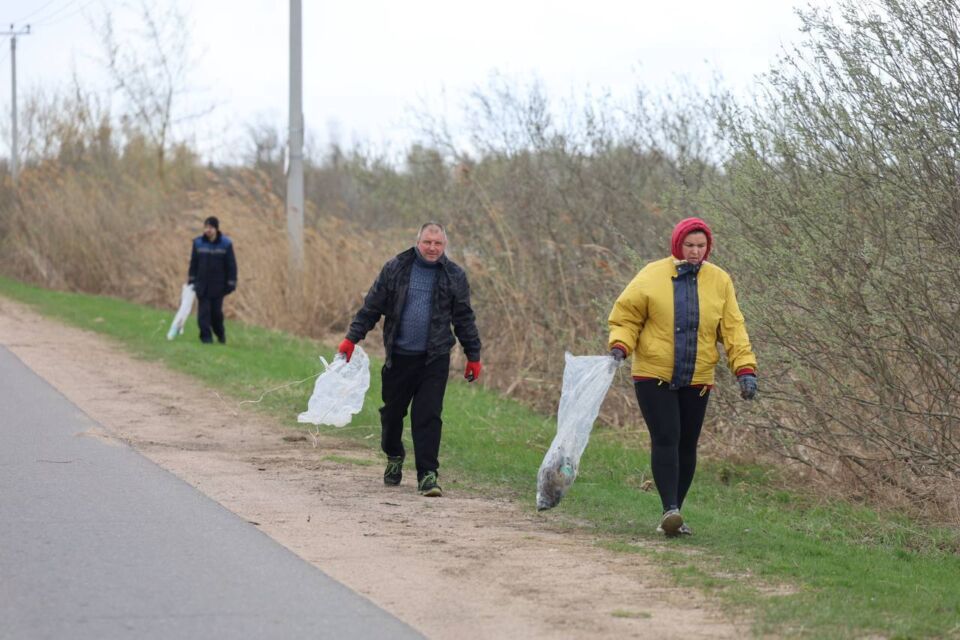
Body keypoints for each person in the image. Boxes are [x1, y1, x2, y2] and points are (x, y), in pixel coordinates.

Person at [607, 217, 757, 537]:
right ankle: (669, 509)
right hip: (653, 373)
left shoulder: (719, 281)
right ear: (677, 244)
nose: (695, 251)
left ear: (708, 247)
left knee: (688, 444)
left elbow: (733, 329)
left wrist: (744, 369)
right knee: (667, 437)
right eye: (689, 245)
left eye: (701, 246)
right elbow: (627, 317)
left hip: (698, 376)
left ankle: (675, 512)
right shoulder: (651, 274)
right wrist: (620, 346)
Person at [338, 222, 482, 497]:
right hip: (399, 357)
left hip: (434, 358)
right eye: (428, 242)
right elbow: (372, 307)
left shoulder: (454, 275)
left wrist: (473, 355)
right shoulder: (396, 268)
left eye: (437, 243)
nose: (432, 248)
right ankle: (394, 456)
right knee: (392, 415)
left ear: (444, 246)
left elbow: (464, 318)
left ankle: (428, 474)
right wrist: (351, 338)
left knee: (427, 415)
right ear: (418, 242)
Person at [188, 216, 237, 344]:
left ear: (216, 229)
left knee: (216, 315)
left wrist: (231, 283)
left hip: (218, 287)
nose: (208, 230)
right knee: (203, 315)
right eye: (206, 227)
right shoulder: (198, 243)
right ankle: (206, 339)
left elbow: (231, 265)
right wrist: (191, 281)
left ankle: (220, 334)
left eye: (210, 227)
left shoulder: (226, 244)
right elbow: (193, 264)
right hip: (202, 286)